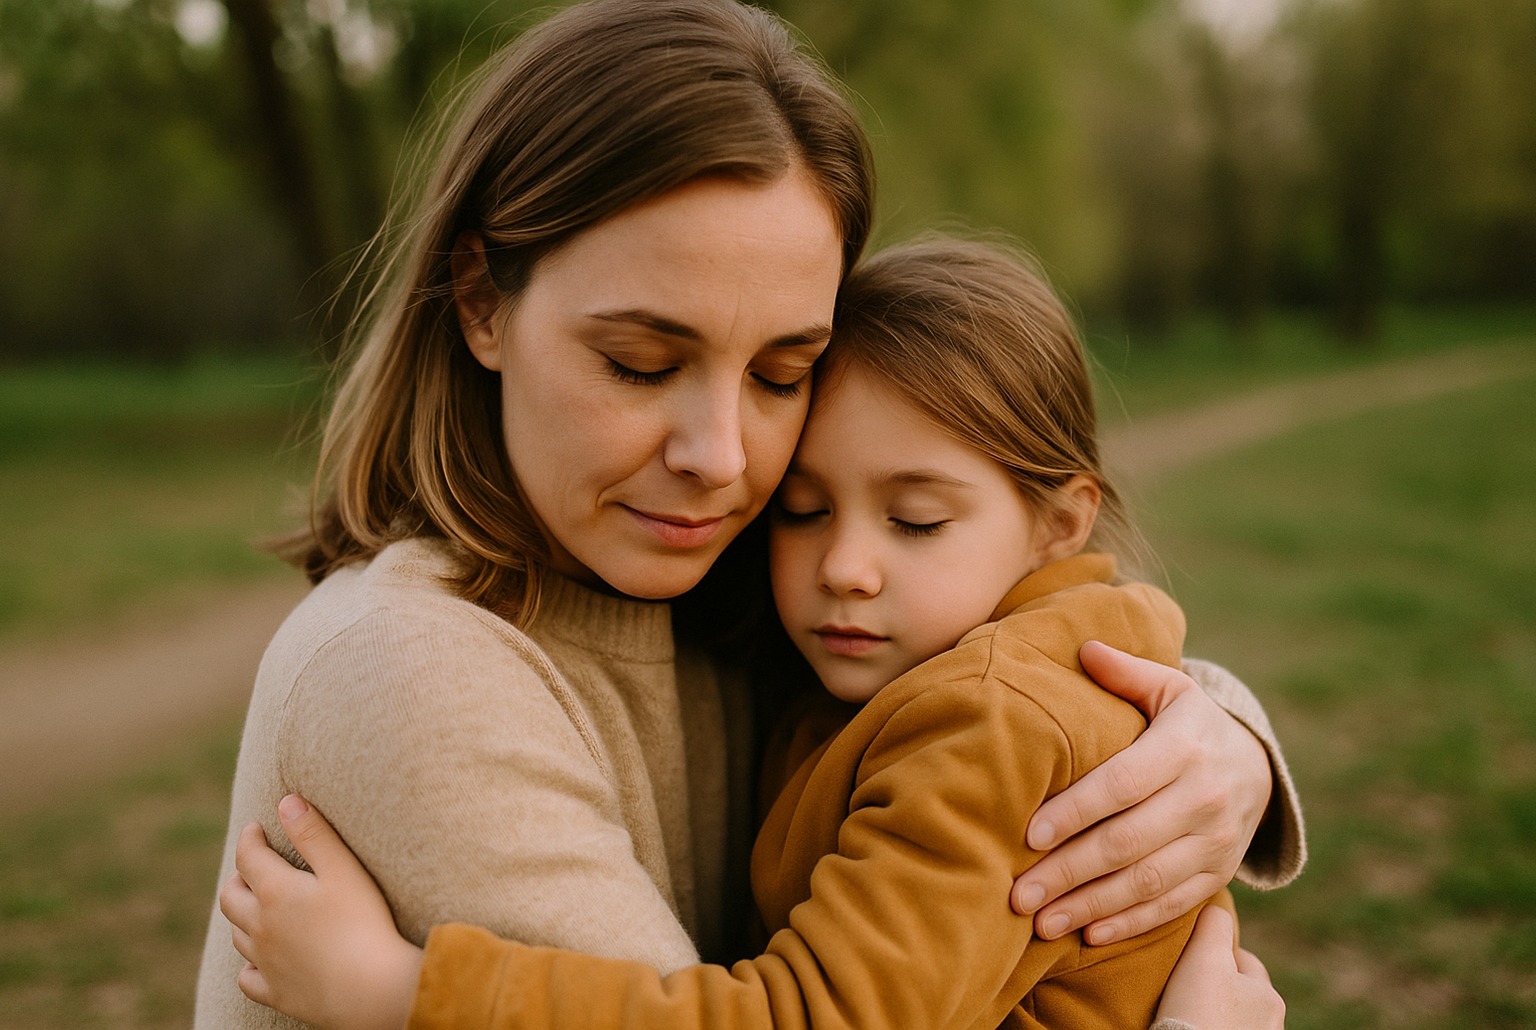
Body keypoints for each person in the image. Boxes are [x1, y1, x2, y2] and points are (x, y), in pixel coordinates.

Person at [196, 0, 1303, 1026]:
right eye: (640, 363)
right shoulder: (411, 669)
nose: (722, 460)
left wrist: (1218, 739)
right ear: (482, 299)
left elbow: (1001, 684)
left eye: (781, 375)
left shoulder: (745, 587)